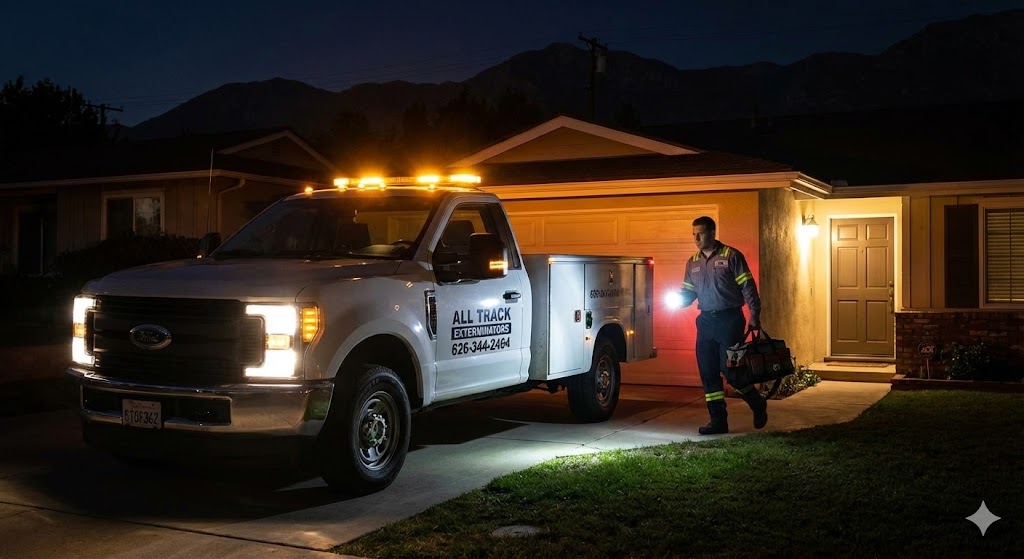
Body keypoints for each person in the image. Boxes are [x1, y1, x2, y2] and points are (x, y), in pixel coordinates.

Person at [678, 216, 767, 435]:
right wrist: (680, 299)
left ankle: (757, 403)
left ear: (712, 232)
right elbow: (688, 292)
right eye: (693, 234)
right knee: (708, 373)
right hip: (706, 322)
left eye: (700, 233)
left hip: (729, 321)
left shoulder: (731, 256)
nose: (696, 238)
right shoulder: (693, 262)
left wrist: (754, 315)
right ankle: (718, 421)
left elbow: (748, 287)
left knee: (732, 372)